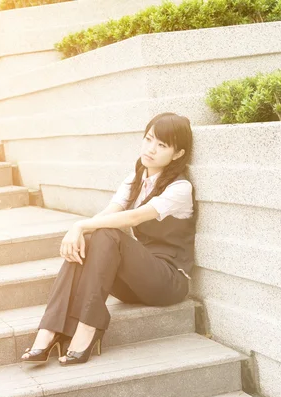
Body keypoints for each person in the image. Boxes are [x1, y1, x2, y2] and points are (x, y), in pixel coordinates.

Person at [21, 112, 196, 366]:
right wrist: (80, 232)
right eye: (148, 139)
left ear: (177, 154)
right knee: (94, 237)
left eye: (162, 145)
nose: (151, 149)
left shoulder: (180, 188)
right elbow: (109, 213)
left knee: (107, 233)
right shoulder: (136, 178)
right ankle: (48, 331)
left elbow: (132, 218)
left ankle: (88, 328)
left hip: (167, 282)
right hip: (134, 283)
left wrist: (80, 224)